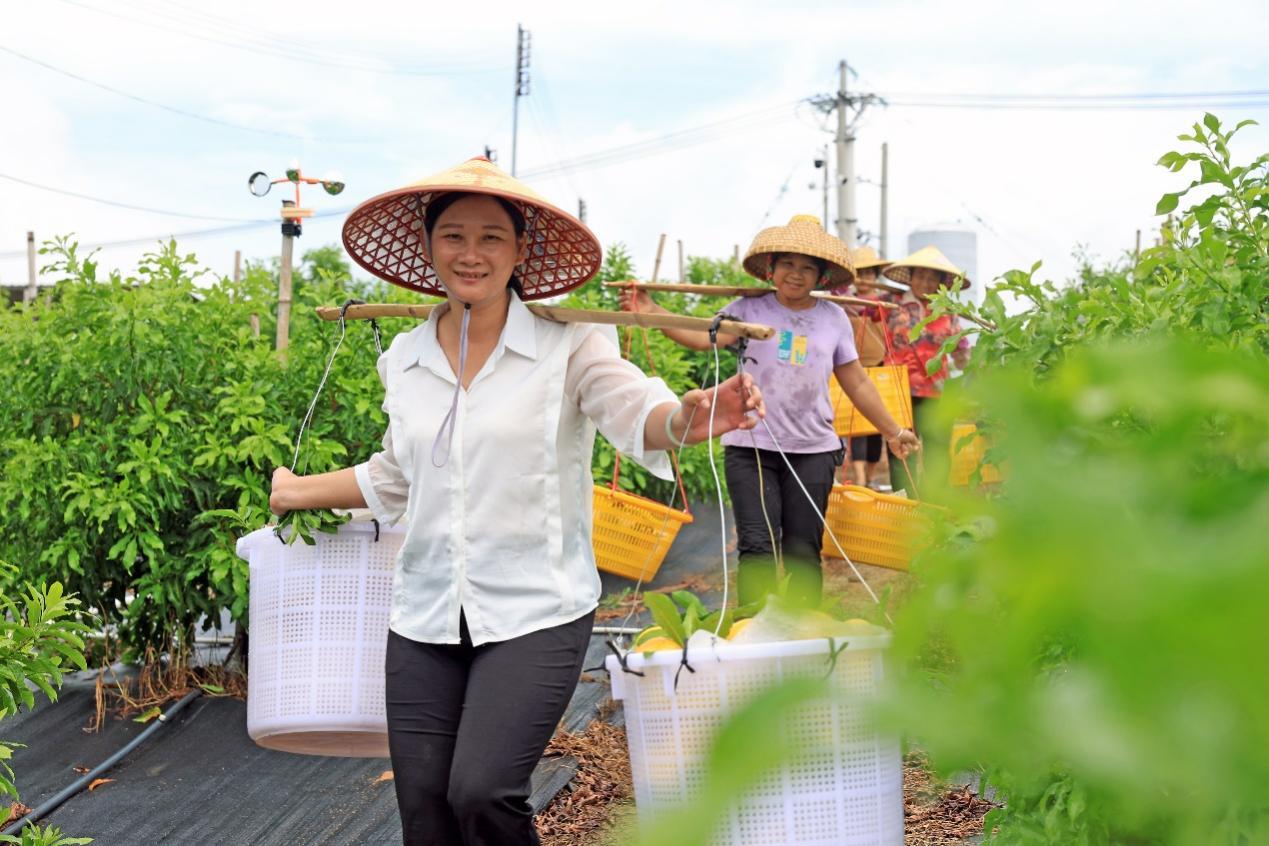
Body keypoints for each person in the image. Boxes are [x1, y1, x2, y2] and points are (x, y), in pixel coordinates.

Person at [269, 157, 764, 846]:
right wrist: (295, 491)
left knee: (481, 792)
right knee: (425, 812)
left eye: (491, 238)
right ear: (427, 246)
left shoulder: (569, 345)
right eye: (453, 237)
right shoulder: (406, 359)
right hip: (425, 615)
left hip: (535, 609)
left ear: (520, 250)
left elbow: (634, 410)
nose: (470, 254)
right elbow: (396, 475)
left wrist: (688, 417)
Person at [619, 215, 919, 608]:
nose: (796, 274)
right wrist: (653, 311)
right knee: (757, 547)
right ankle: (752, 633)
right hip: (751, 444)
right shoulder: (748, 309)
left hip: (813, 448)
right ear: (772, 268)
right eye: (788, 264)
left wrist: (894, 431)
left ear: (821, 276)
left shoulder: (834, 320)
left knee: (802, 549)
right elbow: (700, 337)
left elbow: (857, 382)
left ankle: (802, 634)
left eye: (807, 267)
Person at [880, 245, 972, 493]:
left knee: (937, 448)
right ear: (910, 277)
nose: (926, 282)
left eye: (932, 278)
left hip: (937, 391)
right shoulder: (891, 304)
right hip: (899, 390)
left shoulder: (948, 313)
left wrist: (973, 364)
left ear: (941, 283)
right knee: (901, 449)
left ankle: (934, 504)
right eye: (920, 276)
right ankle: (904, 504)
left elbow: (961, 351)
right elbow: (856, 310)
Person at [835, 245, 893, 490]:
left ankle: (868, 478)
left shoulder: (882, 304)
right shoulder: (841, 302)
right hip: (850, 367)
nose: (865, 279)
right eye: (860, 273)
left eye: (870, 274)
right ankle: (858, 477)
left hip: (878, 367)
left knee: (874, 427)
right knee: (854, 425)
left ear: (875, 276)